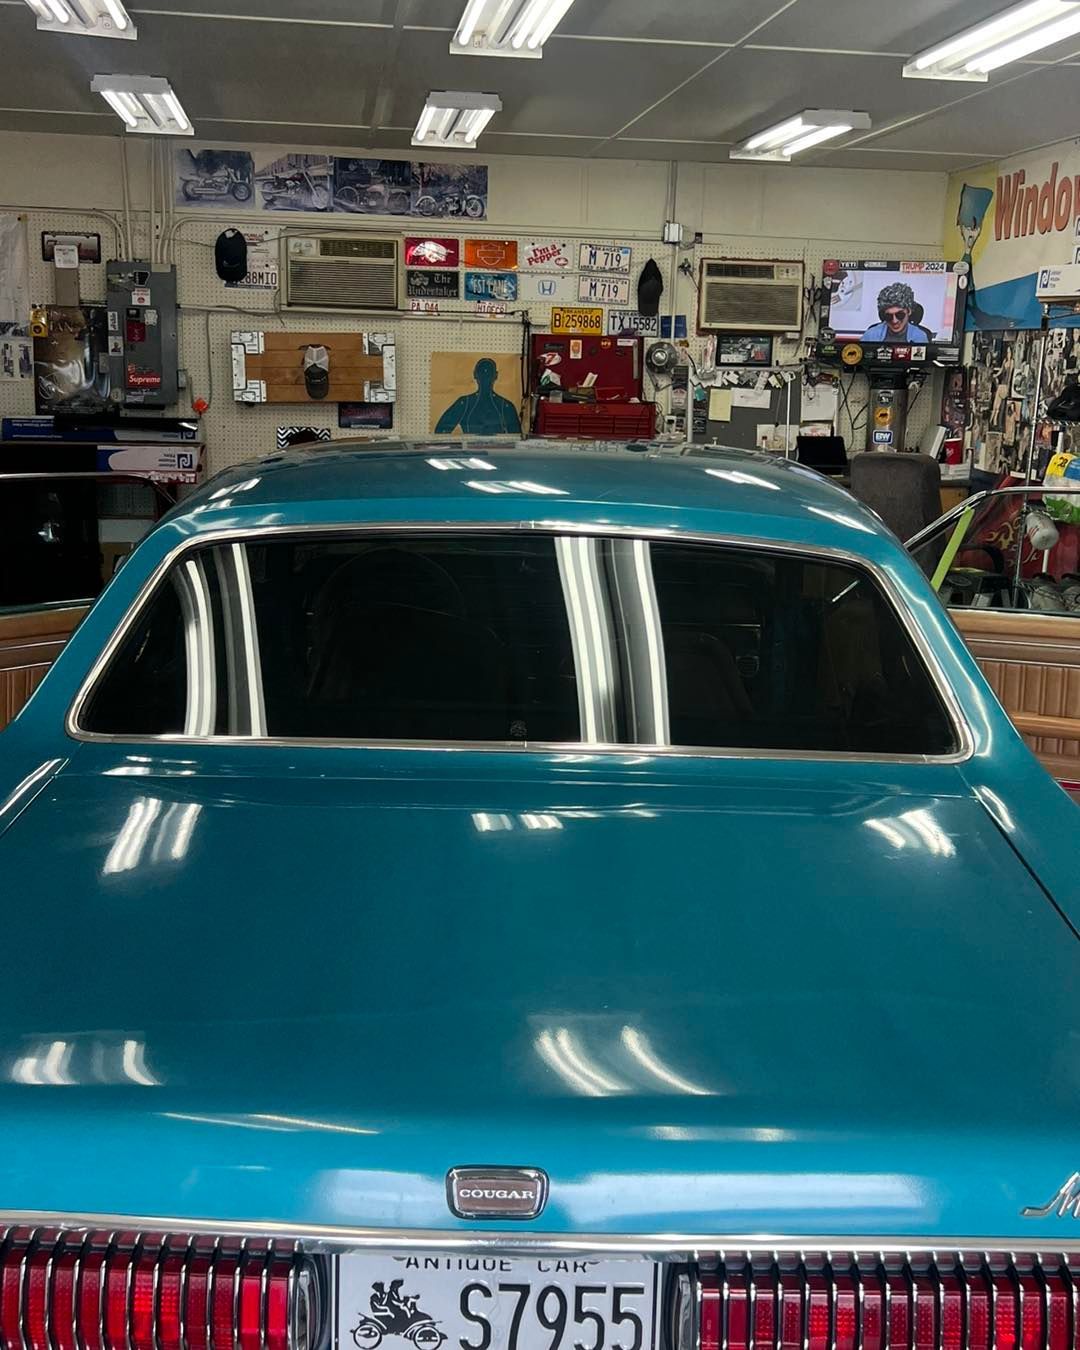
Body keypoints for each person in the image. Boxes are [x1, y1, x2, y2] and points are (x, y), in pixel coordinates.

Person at [435, 357, 522, 435]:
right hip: (471, 451)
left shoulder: (506, 406)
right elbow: (441, 430)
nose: (485, 376)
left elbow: (517, 438)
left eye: (488, 373)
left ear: (495, 375)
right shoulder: (464, 403)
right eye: (482, 372)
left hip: (496, 452)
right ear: (475, 374)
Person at [860, 282, 931, 344]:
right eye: (889, 316)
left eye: (900, 315)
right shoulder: (870, 335)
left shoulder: (920, 337)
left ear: (909, 311)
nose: (894, 321)